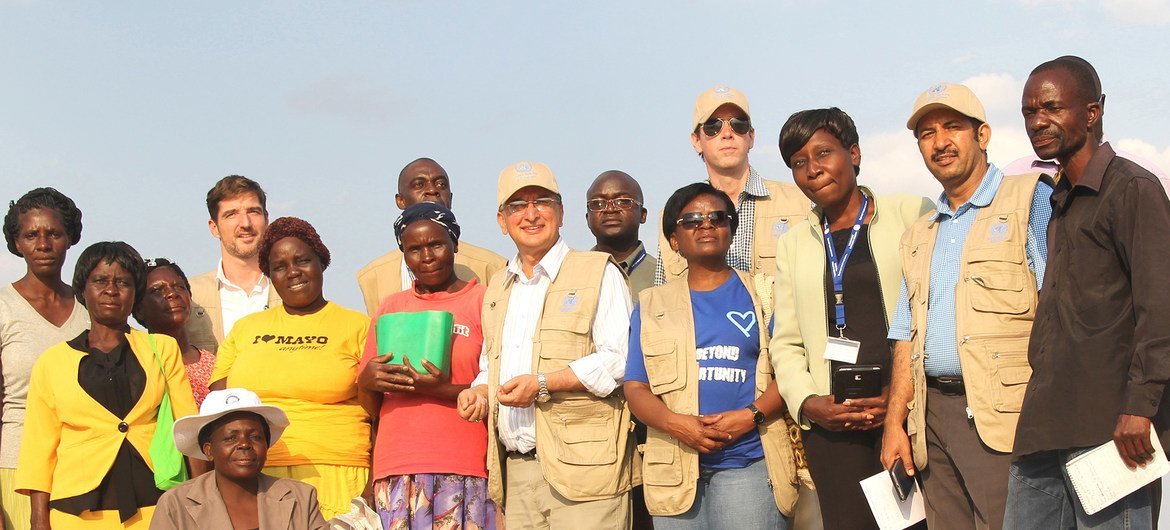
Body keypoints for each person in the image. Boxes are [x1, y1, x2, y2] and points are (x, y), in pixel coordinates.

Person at [1003, 56, 1170, 529]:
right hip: (1042, 425)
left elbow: (1161, 306)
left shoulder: (1132, 188)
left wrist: (1140, 407)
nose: (1038, 121)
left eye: (1052, 107)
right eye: (1029, 111)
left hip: (1111, 429)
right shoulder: (1059, 200)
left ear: (1093, 112)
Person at [880, 83, 1053, 530]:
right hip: (933, 419)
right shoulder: (918, 234)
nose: (940, 141)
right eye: (926, 133)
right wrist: (895, 422)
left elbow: (1062, 307)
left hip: (1007, 416)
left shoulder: (1028, 199)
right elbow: (905, 332)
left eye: (953, 127)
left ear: (983, 134)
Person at [771, 108, 933, 530]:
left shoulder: (911, 212)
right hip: (832, 425)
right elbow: (785, 342)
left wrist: (900, 397)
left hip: (907, 414)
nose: (812, 169)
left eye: (823, 152)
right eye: (798, 163)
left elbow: (932, 311)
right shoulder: (792, 245)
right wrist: (809, 403)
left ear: (854, 154)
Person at [455, 161, 636, 529]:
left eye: (542, 201)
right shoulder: (497, 289)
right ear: (502, 221)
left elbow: (621, 361)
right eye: (518, 206)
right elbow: (493, 367)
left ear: (561, 212)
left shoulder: (598, 271)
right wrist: (478, 392)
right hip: (518, 471)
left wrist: (543, 383)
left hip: (587, 471)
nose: (531, 214)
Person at [626, 182, 799, 529]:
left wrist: (751, 416)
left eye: (717, 217)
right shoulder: (650, 305)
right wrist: (678, 425)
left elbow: (791, 373)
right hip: (674, 467)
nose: (706, 224)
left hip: (749, 463)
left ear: (731, 231)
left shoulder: (766, 294)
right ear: (674, 240)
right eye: (691, 219)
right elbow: (635, 388)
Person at [15, 241, 199, 529]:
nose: (111, 290)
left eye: (123, 282)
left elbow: (186, 428)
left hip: (157, 506)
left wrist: (199, 502)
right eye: (100, 280)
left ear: (135, 293)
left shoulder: (162, 349)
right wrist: (39, 518)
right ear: (82, 290)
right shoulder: (51, 362)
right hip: (75, 512)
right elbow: (39, 449)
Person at [209, 217, 371, 521]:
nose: (293, 272)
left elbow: (383, 412)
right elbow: (219, 411)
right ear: (269, 275)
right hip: (255, 476)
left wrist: (373, 487)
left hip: (337, 471)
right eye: (280, 266)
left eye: (302, 260)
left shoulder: (359, 326)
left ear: (321, 262)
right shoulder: (244, 329)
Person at [357, 202, 496, 529]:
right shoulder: (391, 308)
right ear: (403, 255)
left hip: (465, 461)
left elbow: (501, 384)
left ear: (455, 244)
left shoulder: (485, 302)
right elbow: (372, 407)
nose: (427, 255)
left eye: (436, 244)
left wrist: (443, 390)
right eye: (414, 249)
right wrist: (366, 381)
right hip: (398, 463)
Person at [654, 84, 809, 285]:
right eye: (713, 126)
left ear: (751, 136)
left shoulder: (801, 203)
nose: (727, 133)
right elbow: (663, 299)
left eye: (738, 124)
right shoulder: (673, 215)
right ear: (696, 141)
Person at [1, 188, 89, 530]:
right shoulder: (4, 308)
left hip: (81, 467)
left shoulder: (90, 308)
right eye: (31, 235)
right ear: (17, 242)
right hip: (17, 468)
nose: (43, 244)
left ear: (69, 238)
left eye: (53, 233)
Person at [154, 388, 326, 530]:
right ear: (209, 450)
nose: (244, 444)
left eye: (256, 437)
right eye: (230, 438)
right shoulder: (175, 504)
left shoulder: (301, 497)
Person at [356, 157, 507, 315]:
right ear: (400, 201)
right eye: (419, 185)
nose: (432, 190)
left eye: (441, 184)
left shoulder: (492, 267)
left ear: (451, 197)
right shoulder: (373, 277)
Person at [186, 175, 281, 353]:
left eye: (253, 212)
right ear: (214, 227)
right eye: (232, 214)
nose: (245, 223)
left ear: (266, 219)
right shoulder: (190, 296)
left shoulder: (291, 289)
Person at [132, 259, 215, 408]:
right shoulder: (136, 362)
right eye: (157, 290)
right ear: (138, 309)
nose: (172, 293)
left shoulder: (213, 364)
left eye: (179, 287)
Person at [586, 170, 657, 297]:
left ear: (643, 215)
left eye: (623, 201)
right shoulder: (571, 275)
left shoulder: (663, 277)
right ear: (588, 219)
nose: (610, 209)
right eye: (597, 203)